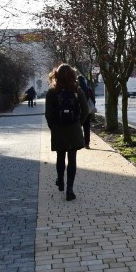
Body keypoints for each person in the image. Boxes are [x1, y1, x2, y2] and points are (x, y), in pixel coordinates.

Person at [45, 63, 88, 201]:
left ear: (56, 75)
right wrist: (78, 124)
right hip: (73, 129)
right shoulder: (77, 90)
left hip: (58, 129)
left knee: (60, 156)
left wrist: (53, 127)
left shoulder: (52, 92)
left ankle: (60, 180)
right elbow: (85, 110)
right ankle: (70, 190)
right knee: (72, 159)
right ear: (72, 75)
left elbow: (48, 114)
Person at [78, 75, 96, 149]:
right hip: (88, 111)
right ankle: (87, 143)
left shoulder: (77, 89)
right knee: (87, 127)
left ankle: (80, 142)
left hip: (79, 111)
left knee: (78, 127)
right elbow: (93, 99)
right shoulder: (88, 89)